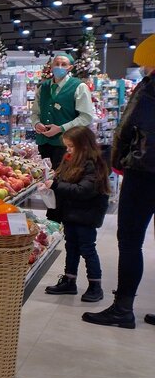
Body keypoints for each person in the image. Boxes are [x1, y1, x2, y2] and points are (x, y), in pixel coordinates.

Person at [83, 36, 155, 330]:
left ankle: (123, 308)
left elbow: (127, 126)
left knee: (130, 240)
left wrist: (116, 160)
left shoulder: (150, 88)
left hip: (145, 170)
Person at [42, 126, 109, 302]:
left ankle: (95, 285)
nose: (68, 150)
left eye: (71, 146)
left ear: (84, 146)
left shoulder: (92, 164)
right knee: (71, 247)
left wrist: (56, 186)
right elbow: (64, 180)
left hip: (86, 215)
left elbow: (84, 190)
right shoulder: (71, 159)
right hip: (71, 212)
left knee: (87, 249)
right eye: (67, 146)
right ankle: (69, 280)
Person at [31, 54, 96, 169]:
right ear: (51, 66)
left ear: (70, 68)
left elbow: (86, 117)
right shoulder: (43, 87)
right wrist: (36, 123)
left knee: (63, 180)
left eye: (63, 64)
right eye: (56, 64)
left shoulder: (79, 87)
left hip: (67, 145)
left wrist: (61, 128)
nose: (59, 67)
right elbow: (35, 112)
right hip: (43, 143)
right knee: (43, 180)